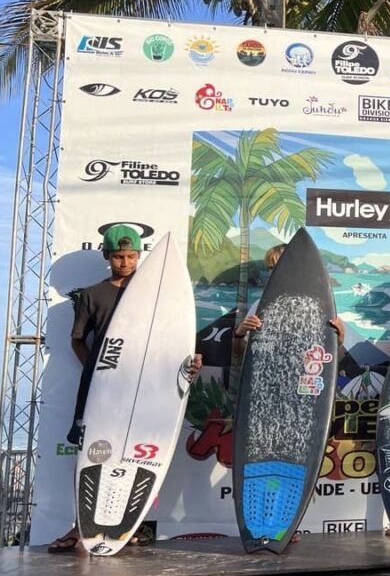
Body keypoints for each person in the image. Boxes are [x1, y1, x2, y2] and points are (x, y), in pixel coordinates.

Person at [49, 225, 203, 553]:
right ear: (107, 256)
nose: (125, 262)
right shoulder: (92, 294)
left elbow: (172, 340)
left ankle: (126, 525)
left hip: (145, 390)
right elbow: (76, 339)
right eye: (119, 256)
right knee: (88, 453)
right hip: (99, 391)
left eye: (132, 256)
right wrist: (98, 370)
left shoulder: (155, 299)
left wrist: (189, 363)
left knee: (141, 452)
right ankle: (80, 528)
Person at [232, 244, 345, 350]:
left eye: (279, 267)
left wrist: (339, 339)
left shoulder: (319, 306)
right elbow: (241, 351)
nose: (274, 273)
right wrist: (240, 334)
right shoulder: (261, 305)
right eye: (271, 268)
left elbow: (330, 355)